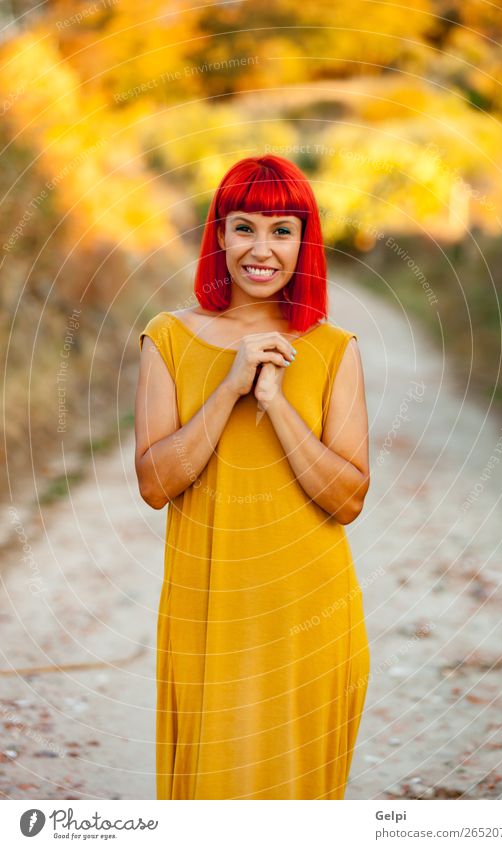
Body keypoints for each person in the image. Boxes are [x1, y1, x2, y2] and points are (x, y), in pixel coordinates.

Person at [134, 154, 371, 800]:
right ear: (218, 234)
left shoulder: (334, 348)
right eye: (244, 227)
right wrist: (229, 388)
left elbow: (347, 497)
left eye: (281, 230)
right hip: (206, 615)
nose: (261, 249)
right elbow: (155, 484)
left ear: (304, 243)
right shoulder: (167, 339)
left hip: (310, 622)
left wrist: (273, 401)